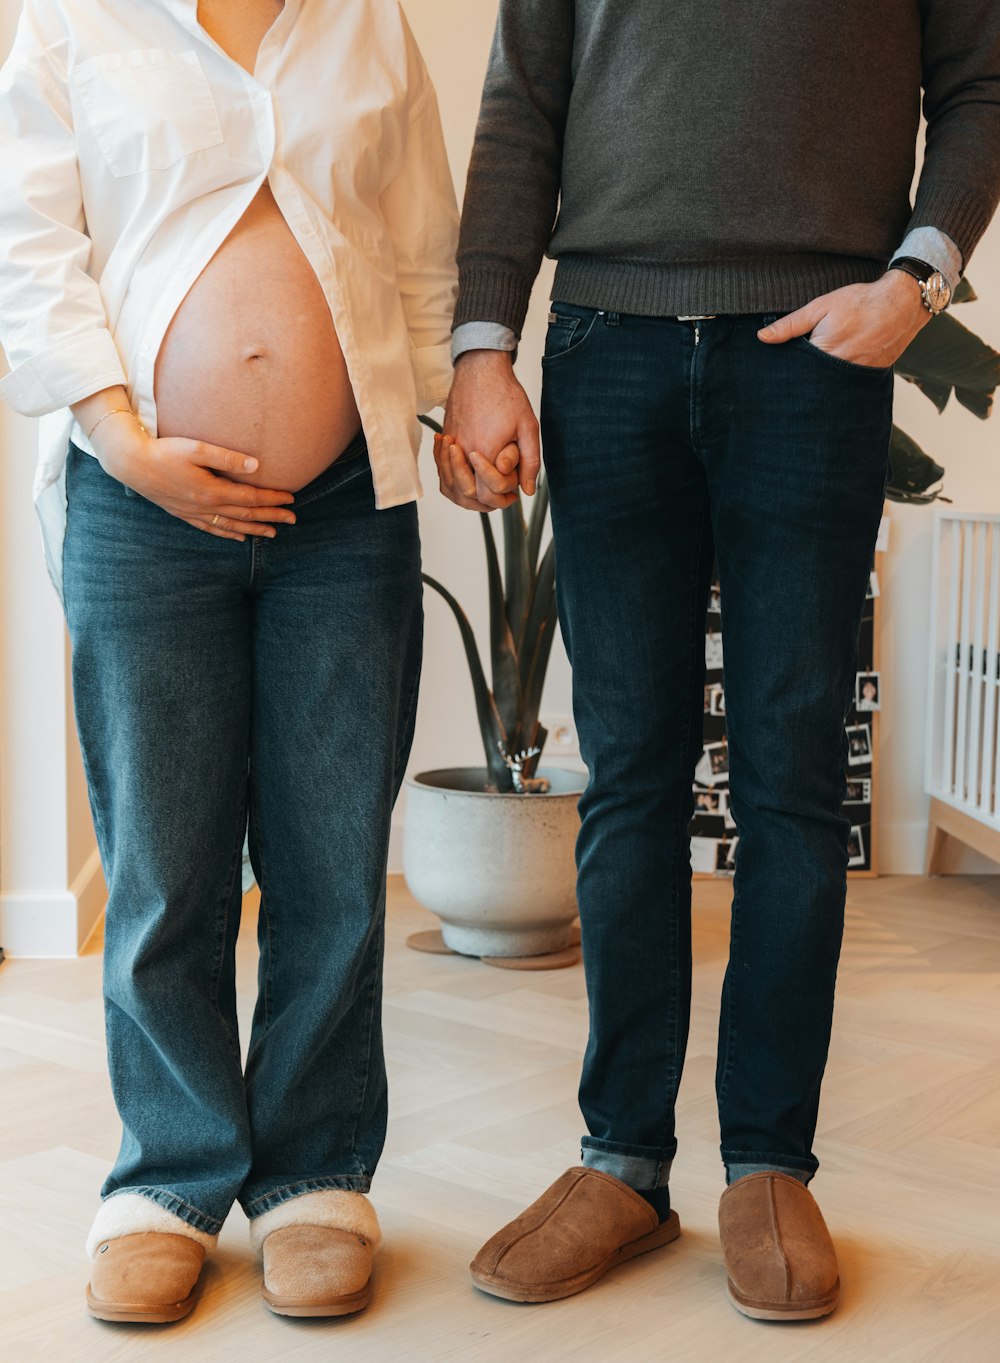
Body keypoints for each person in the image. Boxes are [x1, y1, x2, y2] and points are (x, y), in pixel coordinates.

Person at [437, 0, 1000, 1322]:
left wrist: (918, 283)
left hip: (814, 355)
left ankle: (768, 1166)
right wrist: (481, 346)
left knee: (792, 776)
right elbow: (522, 103)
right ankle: (622, 1163)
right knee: (630, 771)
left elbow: (980, 88)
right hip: (604, 352)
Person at [0, 0, 457, 1325]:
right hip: (140, 507)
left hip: (345, 511)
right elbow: (31, 245)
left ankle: (316, 1174)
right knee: (163, 858)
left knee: (329, 859)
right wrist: (120, 434)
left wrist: (448, 405)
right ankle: (170, 1180)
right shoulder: (76, 21)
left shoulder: (365, 19)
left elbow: (419, 242)